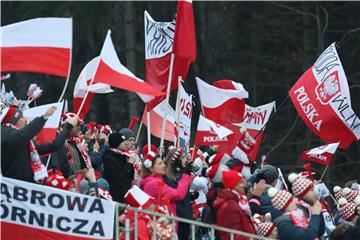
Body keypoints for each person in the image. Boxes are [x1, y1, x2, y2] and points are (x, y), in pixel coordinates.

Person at [1, 106, 56, 182]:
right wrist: (44, 117)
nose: (25, 120)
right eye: (22, 117)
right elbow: (26, 133)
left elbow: (51, 147)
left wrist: (67, 130)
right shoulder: (7, 135)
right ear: (16, 120)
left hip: (22, 184)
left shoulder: (17, 137)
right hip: (16, 184)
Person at [140, 152, 191, 216]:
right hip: (161, 223)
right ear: (151, 168)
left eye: (163, 163)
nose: (164, 165)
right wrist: (185, 175)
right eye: (160, 164)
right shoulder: (154, 184)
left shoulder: (158, 180)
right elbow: (178, 194)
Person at [213, 169, 256, 240]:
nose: (244, 185)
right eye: (241, 182)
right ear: (233, 184)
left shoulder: (236, 202)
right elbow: (232, 235)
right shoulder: (230, 206)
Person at [163, 148, 193, 239]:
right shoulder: (168, 175)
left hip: (186, 212)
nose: (186, 159)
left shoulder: (183, 173)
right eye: (183, 157)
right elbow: (177, 192)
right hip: (178, 214)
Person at [103, 131, 134, 203]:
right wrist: (129, 164)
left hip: (124, 194)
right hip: (116, 196)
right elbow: (120, 178)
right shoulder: (109, 158)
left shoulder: (122, 156)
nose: (125, 143)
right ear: (116, 143)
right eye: (122, 142)